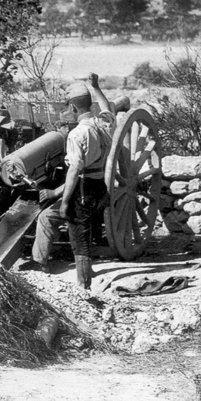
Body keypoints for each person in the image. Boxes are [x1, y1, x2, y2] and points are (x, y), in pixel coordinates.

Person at [53, 73, 115, 290]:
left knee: (79, 234)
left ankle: (83, 284)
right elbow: (106, 106)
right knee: (88, 230)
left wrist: (64, 201)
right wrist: (96, 86)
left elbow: (74, 170)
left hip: (83, 186)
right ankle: (87, 276)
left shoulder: (77, 134)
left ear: (72, 108)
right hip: (100, 185)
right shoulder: (103, 124)